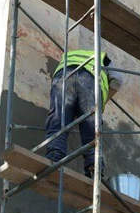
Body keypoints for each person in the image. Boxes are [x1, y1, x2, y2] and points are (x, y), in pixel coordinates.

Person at [43, 49, 124, 179]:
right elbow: (118, 79)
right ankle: (94, 170)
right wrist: (102, 102)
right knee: (91, 131)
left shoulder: (69, 56)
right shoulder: (104, 59)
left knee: (58, 122)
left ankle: (54, 159)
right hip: (89, 80)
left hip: (62, 77)